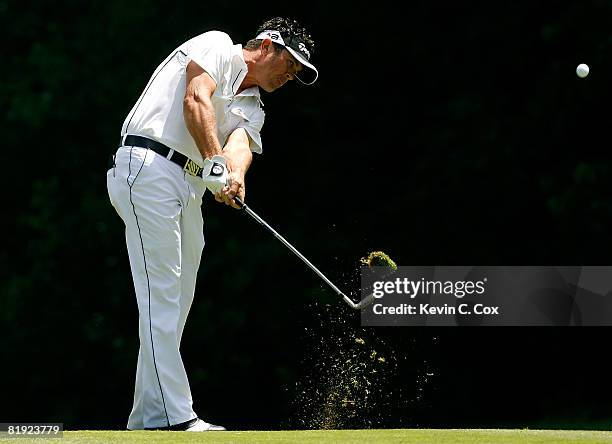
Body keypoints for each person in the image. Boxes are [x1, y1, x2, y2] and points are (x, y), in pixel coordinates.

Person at [106, 17, 317, 432]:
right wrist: (215, 162)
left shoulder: (254, 105)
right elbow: (195, 99)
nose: (290, 76)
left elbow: (240, 146)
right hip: (148, 166)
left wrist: (233, 175)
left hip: (188, 186)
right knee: (162, 295)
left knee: (175, 304)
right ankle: (173, 417)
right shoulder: (217, 46)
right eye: (289, 64)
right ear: (269, 45)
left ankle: (148, 416)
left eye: (297, 73)